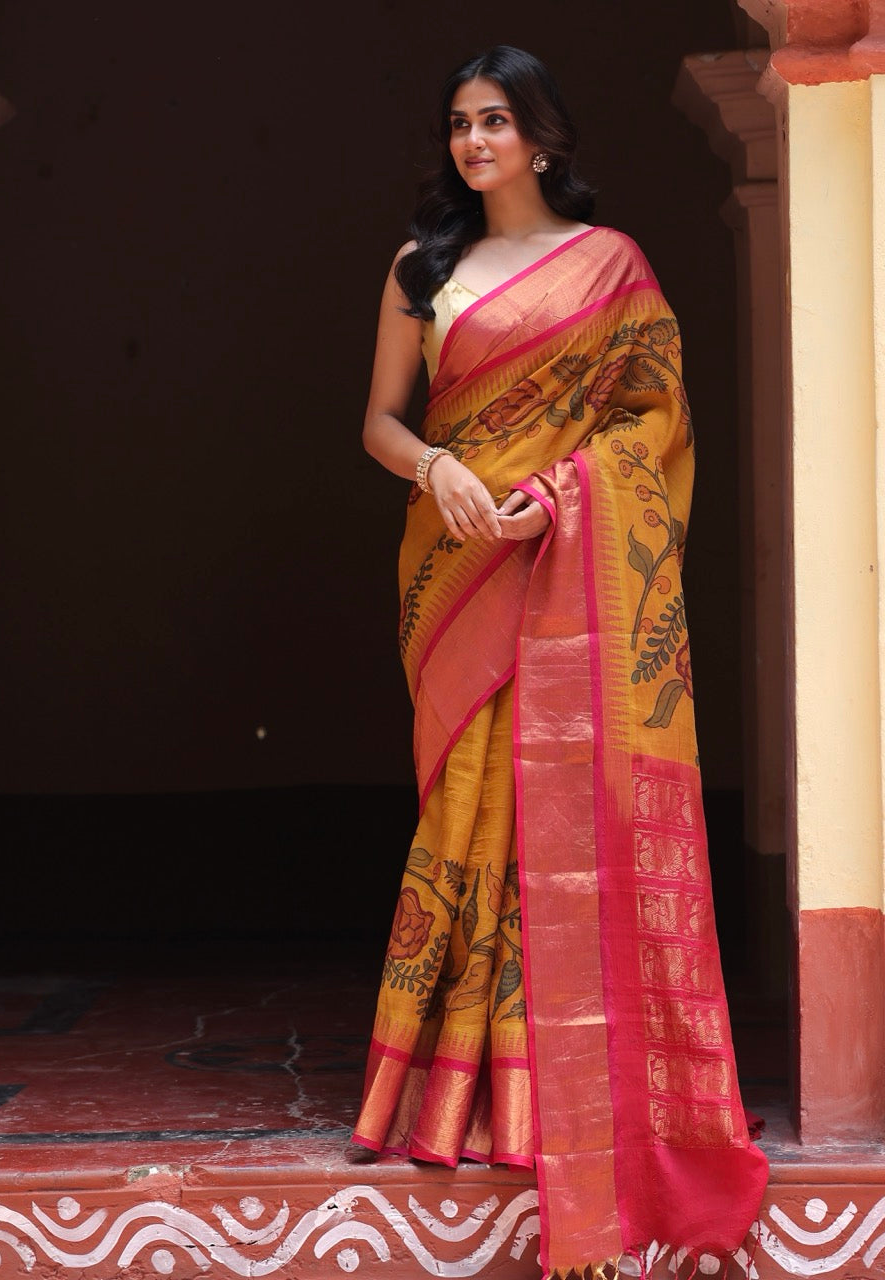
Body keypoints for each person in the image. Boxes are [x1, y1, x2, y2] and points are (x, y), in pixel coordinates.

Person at [349, 45, 768, 1279]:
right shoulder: (421, 267)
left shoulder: (611, 266)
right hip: (457, 569)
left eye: (495, 120)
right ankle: (458, 1090)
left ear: (542, 136)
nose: (473, 141)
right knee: (467, 809)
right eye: (458, 123)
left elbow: (654, 421)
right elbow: (379, 422)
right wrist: (442, 467)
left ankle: (564, 1098)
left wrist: (559, 494)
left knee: (564, 815)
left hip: (566, 566)